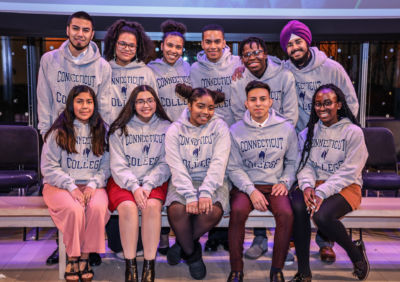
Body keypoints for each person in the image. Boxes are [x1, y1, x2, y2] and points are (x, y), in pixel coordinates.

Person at [280, 19, 360, 262]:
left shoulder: (332, 68)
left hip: (329, 140)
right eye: (289, 45)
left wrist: (335, 130)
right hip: (300, 143)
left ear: (307, 42)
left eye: (298, 42)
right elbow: (261, 66)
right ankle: (294, 241)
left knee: (326, 191)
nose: (294, 48)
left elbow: (351, 102)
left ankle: (326, 241)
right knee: (297, 194)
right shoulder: (284, 70)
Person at [290, 84, 369, 282]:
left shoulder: (353, 132)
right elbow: (305, 165)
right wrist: (307, 186)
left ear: (339, 105)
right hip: (314, 184)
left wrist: (321, 192)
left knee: (322, 216)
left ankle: (355, 253)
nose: (322, 108)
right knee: (298, 207)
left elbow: (350, 170)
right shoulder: (307, 133)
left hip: (346, 185)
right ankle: (304, 272)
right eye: (318, 104)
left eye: (327, 103)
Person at [227, 81, 296, 282]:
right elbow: (233, 167)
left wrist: (284, 181)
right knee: (237, 212)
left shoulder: (286, 128)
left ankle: (277, 269)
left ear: (270, 102)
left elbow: (292, 162)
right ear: (246, 103)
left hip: (275, 184)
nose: (258, 104)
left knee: (286, 213)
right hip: (247, 185)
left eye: (263, 99)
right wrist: (250, 190)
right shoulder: (236, 130)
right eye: (253, 100)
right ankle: (237, 269)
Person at [41, 85, 110, 282]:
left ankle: (86, 257)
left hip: (92, 185)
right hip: (60, 185)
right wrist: (71, 187)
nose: (85, 106)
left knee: (97, 207)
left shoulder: (101, 130)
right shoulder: (58, 132)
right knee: (74, 209)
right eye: (80, 101)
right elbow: (48, 167)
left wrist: (93, 184)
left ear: (94, 105)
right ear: (71, 104)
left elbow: (106, 165)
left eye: (89, 102)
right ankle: (73, 256)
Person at [165, 84, 231, 280]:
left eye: (210, 108)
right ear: (189, 105)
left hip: (213, 181)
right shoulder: (175, 130)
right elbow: (175, 165)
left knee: (212, 210)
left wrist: (205, 193)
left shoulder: (220, 127)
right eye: (200, 106)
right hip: (182, 180)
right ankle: (193, 255)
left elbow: (219, 163)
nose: (206, 112)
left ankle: (181, 245)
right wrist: (188, 194)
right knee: (177, 210)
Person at [107, 85, 171, 282]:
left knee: (152, 207)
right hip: (124, 181)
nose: (146, 105)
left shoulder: (167, 127)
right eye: (140, 101)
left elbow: (165, 162)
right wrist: (134, 186)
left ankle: (150, 266)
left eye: (150, 100)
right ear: (133, 104)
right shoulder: (119, 129)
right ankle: (131, 265)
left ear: (156, 102)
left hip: (154, 180)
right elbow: (118, 165)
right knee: (127, 207)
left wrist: (149, 185)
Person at [190, 23, 241, 252]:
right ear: (202, 44)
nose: (213, 46)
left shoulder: (238, 64)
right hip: (205, 134)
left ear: (224, 43)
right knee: (214, 178)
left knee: (229, 183)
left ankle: (225, 235)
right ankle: (213, 235)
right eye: (208, 42)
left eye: (217, 41)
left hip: (233, 132)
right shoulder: (195, 70)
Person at [37, 11, 111, 137]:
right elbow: (44, 100)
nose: (80, 34)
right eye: (75, 28)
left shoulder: (103, 66)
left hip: (90, 138)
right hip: (57, 135)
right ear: (67, 30)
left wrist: (101, 136)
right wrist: (46, 133)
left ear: (92, 34)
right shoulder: (49, 60)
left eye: (86, 30)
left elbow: (104, 107)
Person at [230, 36, 298, 126]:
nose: (252, 58)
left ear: (265, 54)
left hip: (280, 134)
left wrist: (282, 134)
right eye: (247, 55)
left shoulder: (285, 76)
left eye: (257, 52)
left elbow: (291, 114)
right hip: (252, 135)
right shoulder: (238, 81)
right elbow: (239, 115)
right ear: (242, 59)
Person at [103, 19, 157, 125]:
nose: (127, 49)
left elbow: (153, 105)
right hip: (109, 130)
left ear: (138, 48)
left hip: (137, 133)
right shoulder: (105, 70)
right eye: (122, 44)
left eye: (132, 45)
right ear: (114, 44)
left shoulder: (146, 72)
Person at [148, 19, 191, 122]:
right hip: (161, 128)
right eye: (170, 45)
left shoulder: (188, 68)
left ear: (182, 49)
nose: (173, 51)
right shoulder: (151, 70)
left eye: (178, 47)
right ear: (162, 46)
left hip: (186, 128)